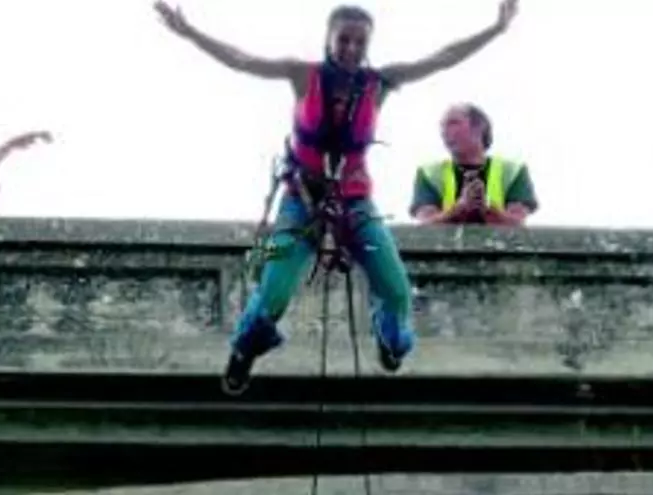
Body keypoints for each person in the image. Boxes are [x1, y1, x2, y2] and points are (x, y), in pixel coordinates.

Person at [154, 0, 519, 395]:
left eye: (359, 42)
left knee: (395, 288)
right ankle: (245, 349)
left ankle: (391, 341)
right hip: (301, 204)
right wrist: (189, 32)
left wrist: (494, 29)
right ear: (328, 40)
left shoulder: (378, 84)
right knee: (274, 290)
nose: (350, 49)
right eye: (343, 40)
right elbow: (242, 60)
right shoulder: (302, 75)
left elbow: (442, 58)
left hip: (355, 205)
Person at [410, 104, 538, 225]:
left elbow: (517, 224)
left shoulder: (512, 171)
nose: (444, 132)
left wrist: (486, 209)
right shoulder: (430, 173)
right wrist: (459, 208)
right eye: (442, 126)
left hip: (496, 242)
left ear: (479, 127)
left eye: (453, 123)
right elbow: (426, 224)